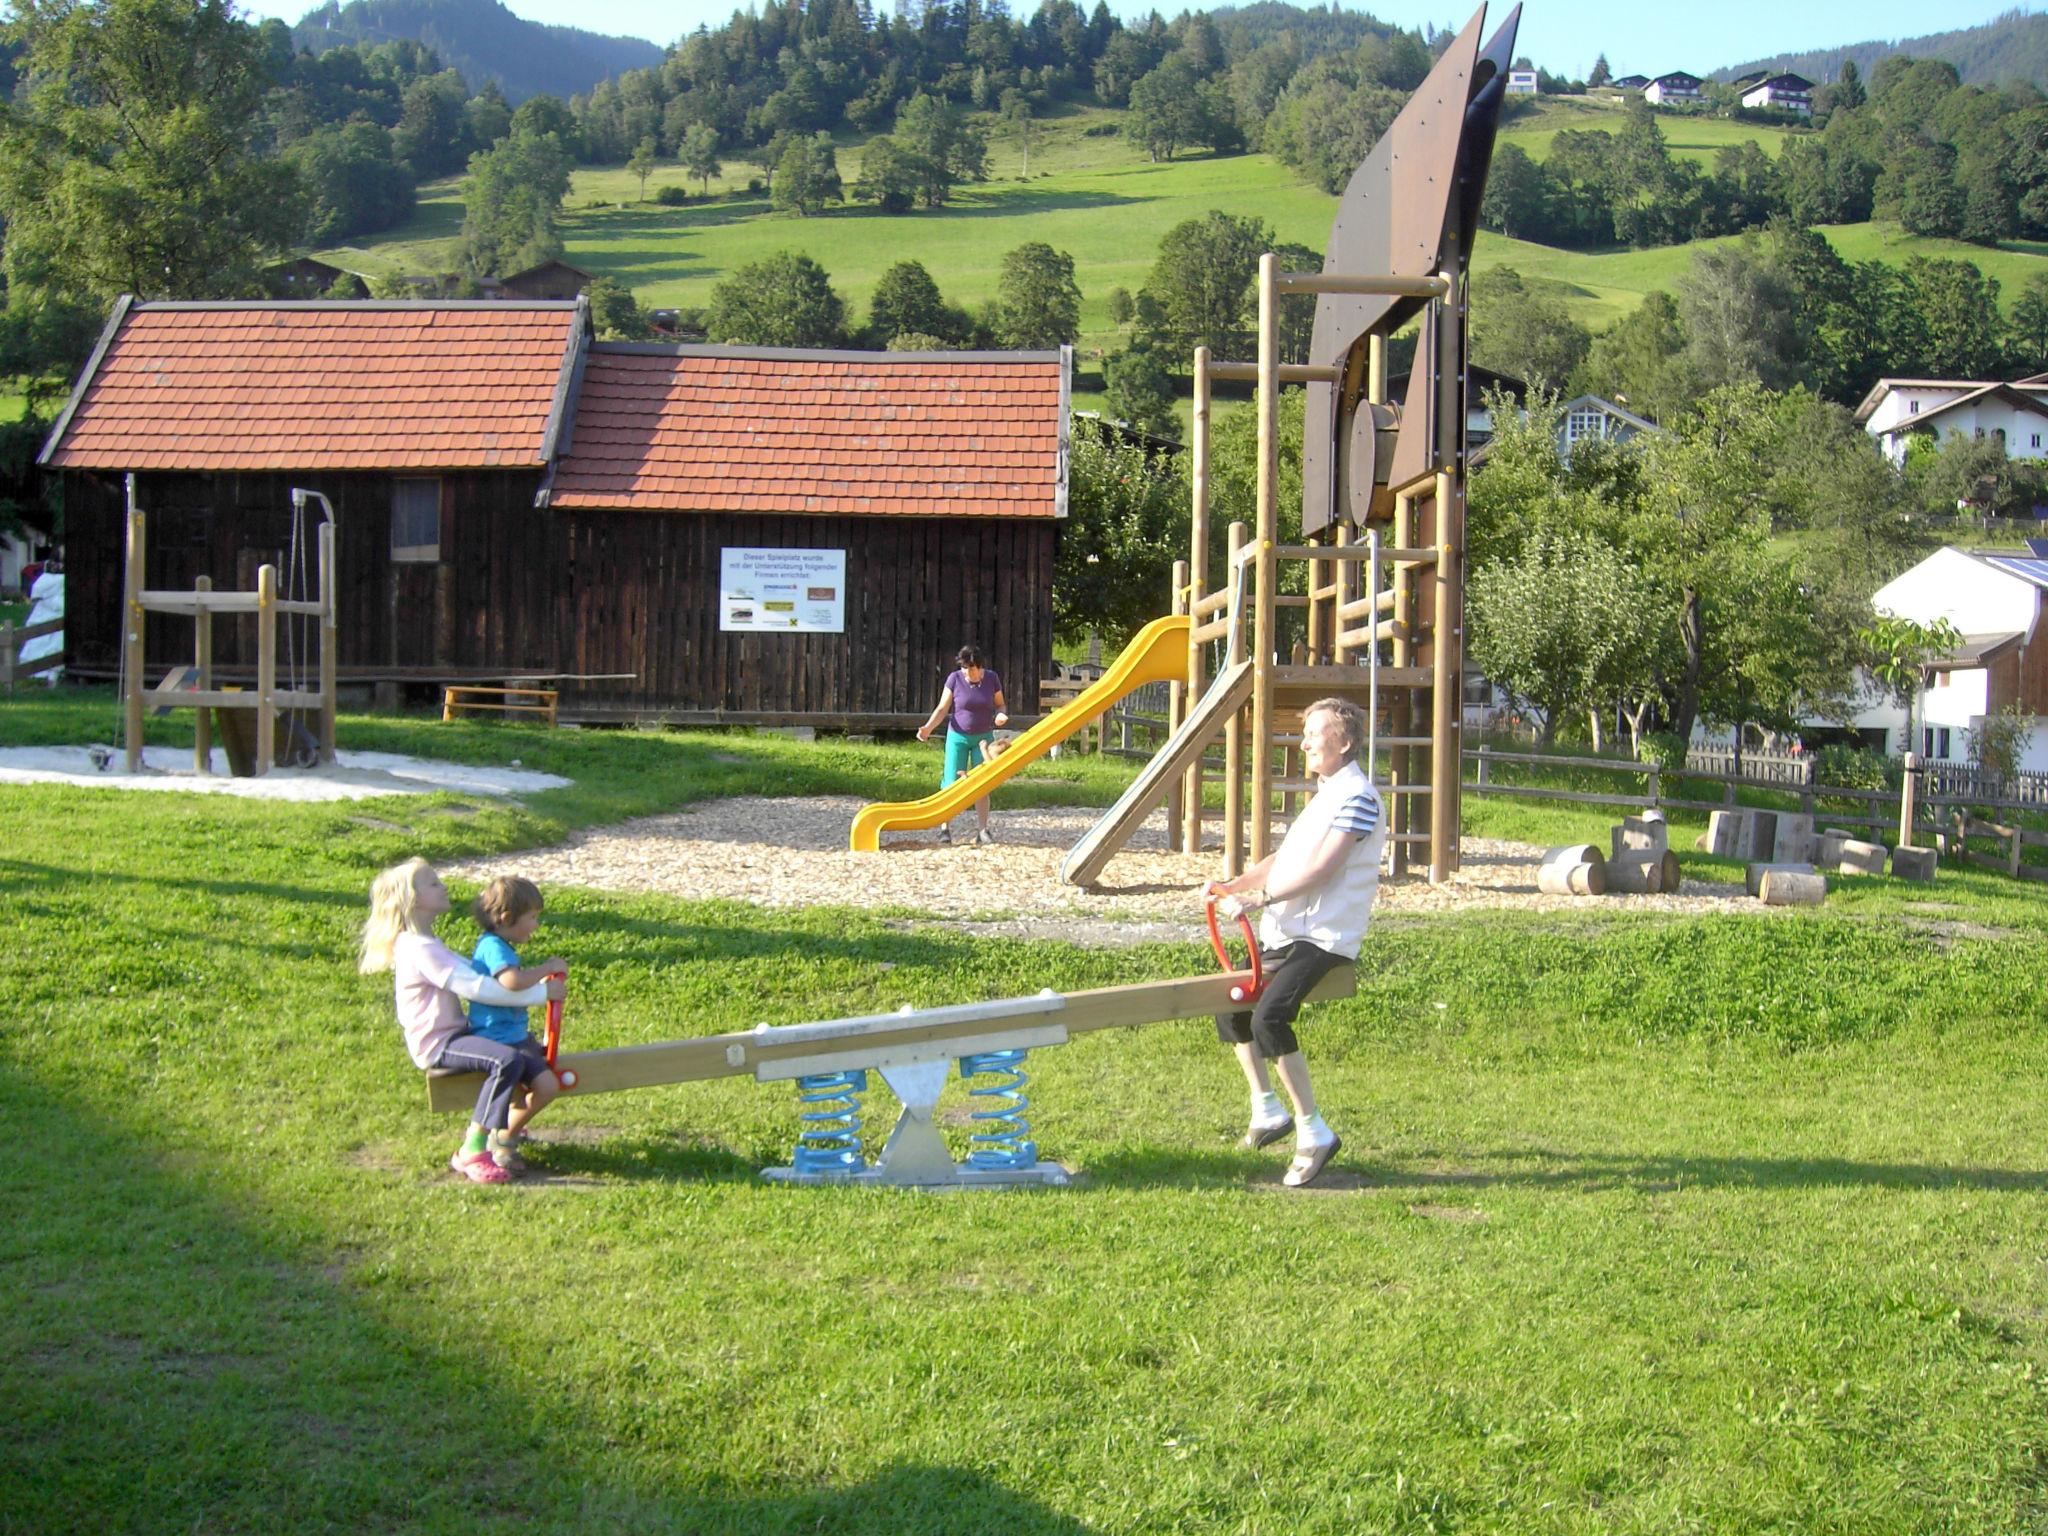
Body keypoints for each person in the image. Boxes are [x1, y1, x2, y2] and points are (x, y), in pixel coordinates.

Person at [1205, 697, 1385, 1188]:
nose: (1304, 741)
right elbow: (1282, 861)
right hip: (1290, 931)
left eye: (1314, 732)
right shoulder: (1325, 797)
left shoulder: (1358, 797)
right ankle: (1267, 1112)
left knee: (1270, 1017)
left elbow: (1323, 869)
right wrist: (1234, 885)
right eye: (1305, 731)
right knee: (1231, 1002)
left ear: (1344, 743)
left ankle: (1314, 1132)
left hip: (1325, 937)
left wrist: (1257, 899)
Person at [359, 858, 565, 1185]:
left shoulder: (426, 945)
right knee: (505, 1060)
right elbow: (477, 988)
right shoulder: (419, 950)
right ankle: (472, 1149)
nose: (443, 887)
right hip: (439, 1043)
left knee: (516, 1056)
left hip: (456, 1034)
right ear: (412, 899)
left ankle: (505, 1129)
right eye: (433, 883)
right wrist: (540, 994)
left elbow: (474, 974)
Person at [467, 875, 568, 1172]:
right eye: (532, 917)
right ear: (508, 918)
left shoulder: (498, 945)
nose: (536, 924)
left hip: (514, 1036)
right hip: (500, 1039)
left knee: (546, 1085)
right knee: (547, 1085)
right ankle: (504, 1138)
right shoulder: (493, 947)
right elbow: (512, 981)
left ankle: (508, 1129)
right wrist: (547, 972)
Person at [915, 644, 1009, 845]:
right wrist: (928, 728)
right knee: (950, 782)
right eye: (964, 668)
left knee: (982, 783)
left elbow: (1000, 703)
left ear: (980, 667)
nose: (967, 672)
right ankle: (945, 828)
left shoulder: (992, 678)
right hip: (957, 736)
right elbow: (942, 708)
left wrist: (1001, 714)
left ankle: (983, 830)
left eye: (971, 668)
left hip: (983, 739)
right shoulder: (954, 679)